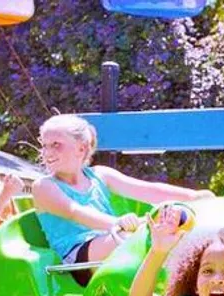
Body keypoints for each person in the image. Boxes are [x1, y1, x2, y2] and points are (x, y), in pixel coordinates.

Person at [32, 114, 213, 285]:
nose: (47, 152)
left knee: (172, 230)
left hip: (109, 239)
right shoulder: (44, 187)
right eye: (45, 145)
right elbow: (74, 212)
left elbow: (147, 190)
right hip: (76, 259)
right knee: (136, 240)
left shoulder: (100, 175)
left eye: (56, 144)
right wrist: (116, 223)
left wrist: (193, 196)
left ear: (81, 148)